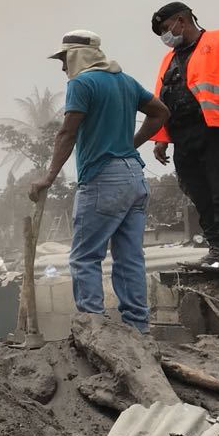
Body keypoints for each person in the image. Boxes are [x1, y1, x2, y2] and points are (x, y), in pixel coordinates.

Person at [29, 30, 170, 333]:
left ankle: (92, 328)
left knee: (84, 257)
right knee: (130, 257)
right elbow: (161, 112)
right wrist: (132, 144)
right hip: (134, 177)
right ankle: (139, 328)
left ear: (78, 55)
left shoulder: (82, 84)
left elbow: (67, 133)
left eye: (65, 59)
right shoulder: (125, 81)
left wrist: (48, 177)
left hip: (103, 179)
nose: (63, 67)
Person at [148, 1, 219, 267]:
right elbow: (161, 99)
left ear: (181, 21)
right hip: (183, 134)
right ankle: (215, 245)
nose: (165, 36)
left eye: (165, 29)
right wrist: (162, 138)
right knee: (196, 190)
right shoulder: (169, 59)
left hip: (216, 128)